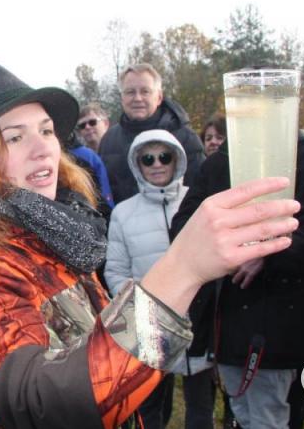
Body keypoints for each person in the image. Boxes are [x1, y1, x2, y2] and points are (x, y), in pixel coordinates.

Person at [0, 63, 300, 429]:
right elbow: (42, 405)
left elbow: (96, 352)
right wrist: (182, 267)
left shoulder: (50, 233)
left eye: (46, 130)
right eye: (13, 137)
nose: (44, 147)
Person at [170, 130, 304, 429]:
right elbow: (184, 228)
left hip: (277, 327)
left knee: (270, 418)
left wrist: (269, 252)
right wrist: (229, 248)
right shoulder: (219, 164)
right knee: (241, 414)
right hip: (224, 323)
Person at [104, 129, 191, 429]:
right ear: (137, 164)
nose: (156, 164)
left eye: (164, 157)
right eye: (147, 159)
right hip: (150, 327)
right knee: (150, 408)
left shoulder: (197, 203)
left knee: (201, 407)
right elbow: (115, 272)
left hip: (198, 324)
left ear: (176, 160)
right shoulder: (124, 213)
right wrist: (141, 308)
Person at [98, 63, 205, 204]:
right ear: (122, 98)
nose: (137, 98)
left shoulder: (185, 138)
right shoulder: (109, 140)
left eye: (145, 91)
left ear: (159, 97)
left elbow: (201, 191)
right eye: (130, 92)